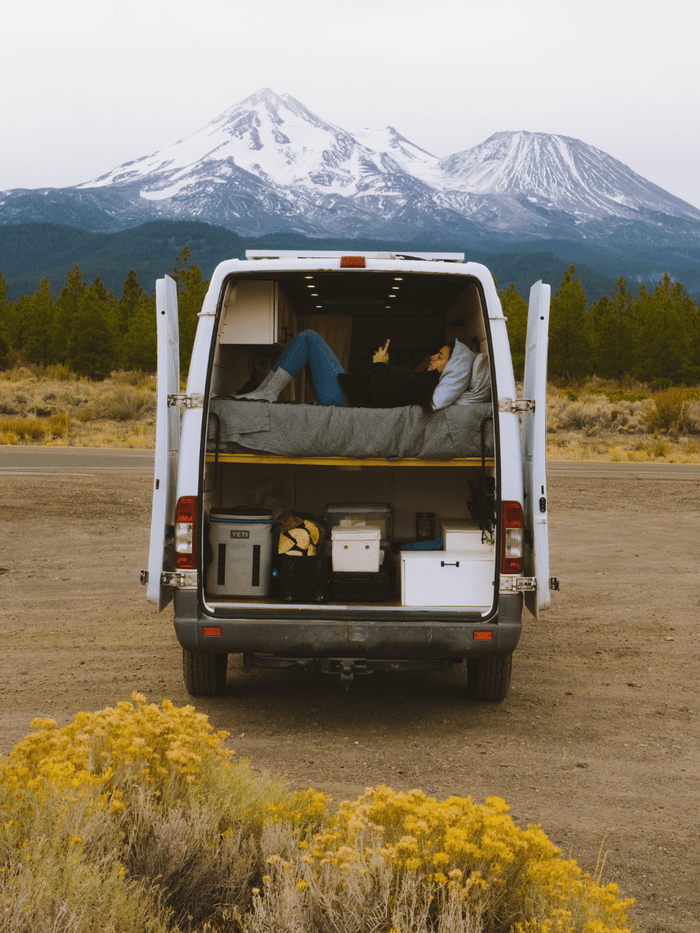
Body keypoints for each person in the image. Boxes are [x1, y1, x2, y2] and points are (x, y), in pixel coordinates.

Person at [236, 330, 490, 411]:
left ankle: (265, 394)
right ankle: (263, 392)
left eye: (441, 356)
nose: (433, 356)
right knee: (308, 342)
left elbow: (381, 397)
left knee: (308, 338)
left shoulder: (426, 386)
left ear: (452, 368)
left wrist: (380, 365)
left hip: (342, 398)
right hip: (347, 387)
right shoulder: (424, 379)